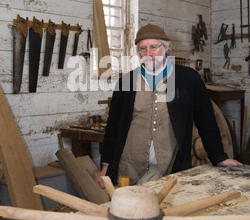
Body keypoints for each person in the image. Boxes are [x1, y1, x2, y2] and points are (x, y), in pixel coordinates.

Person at [98, 23, 241, 187]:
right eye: (142, 49)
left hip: (171, 170)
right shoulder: (127, 82)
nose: (148, 53)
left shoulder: (189, 80)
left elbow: (206, 122)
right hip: (128, 170)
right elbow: (113, 127)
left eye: (154, 47)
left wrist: (220, 158)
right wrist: (106, 167)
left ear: (166, 48)